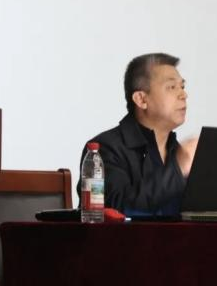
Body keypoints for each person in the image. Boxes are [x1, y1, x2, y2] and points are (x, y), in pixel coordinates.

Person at [78, 53, 198, 216]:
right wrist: (177, 169)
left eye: (182, 86)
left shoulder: (178, 152)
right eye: (171, 87)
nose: (184, 95)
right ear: (141, 99)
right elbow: (116, 210)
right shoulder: (104, 150)